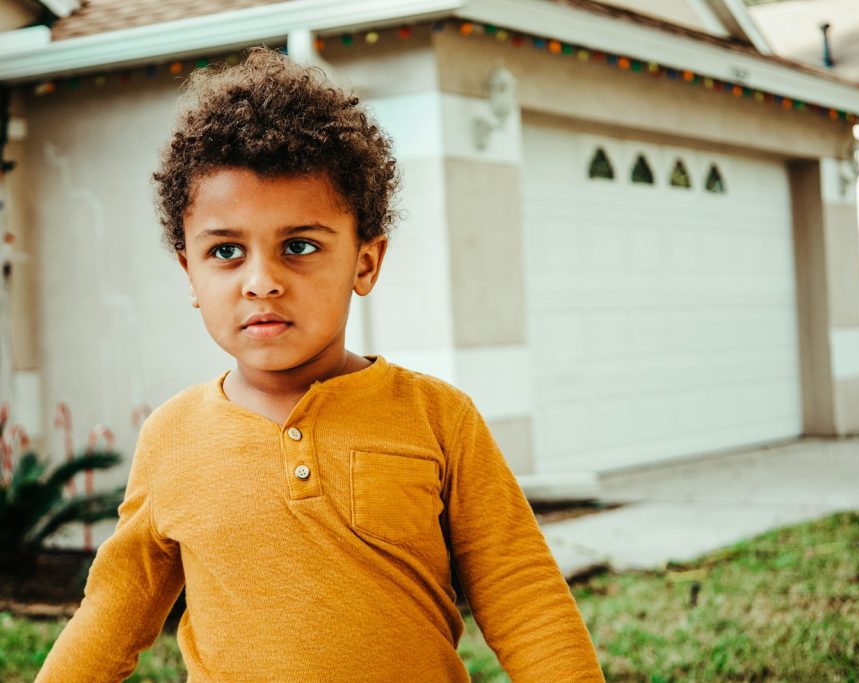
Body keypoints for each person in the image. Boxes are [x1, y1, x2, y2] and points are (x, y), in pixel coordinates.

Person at [37, 47, 605, 682]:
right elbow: (114, 613)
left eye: (299, 246)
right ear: (189, 273)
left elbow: (524, 595)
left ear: (365, 261)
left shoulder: (438, 419)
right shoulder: (173, 438)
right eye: (226, 250)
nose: (261, 281)